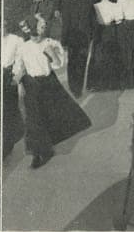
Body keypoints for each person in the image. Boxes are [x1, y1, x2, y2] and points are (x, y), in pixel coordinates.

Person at [13, 15, 92, 169]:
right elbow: (19, 66)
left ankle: (48, 145)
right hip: (32, 84)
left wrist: (52, 55)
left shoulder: (49, 43)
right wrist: (17, 80)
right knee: (33, 119)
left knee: (51, 115)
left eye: (43, 27)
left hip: (49, 83)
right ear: (33, 29)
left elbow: (58, 64)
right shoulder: (23, 47)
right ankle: (38, 153)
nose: (43, 29)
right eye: (41, 27)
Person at [56, 0, 94, 97]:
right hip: (69, 27)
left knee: (82, 59)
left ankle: (78, 88)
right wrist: (58, 9)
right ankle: (73, 87)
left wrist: (75, 1)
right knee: (72, 59)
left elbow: (86, 2)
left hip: (82, 27)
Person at [1, 21, 26, 159]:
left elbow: (20, 60)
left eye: (3, 25)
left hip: (9, 77)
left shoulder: (16, 40)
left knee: (9, 111)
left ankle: (8, 145)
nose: (1, 28)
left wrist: (17, 78)